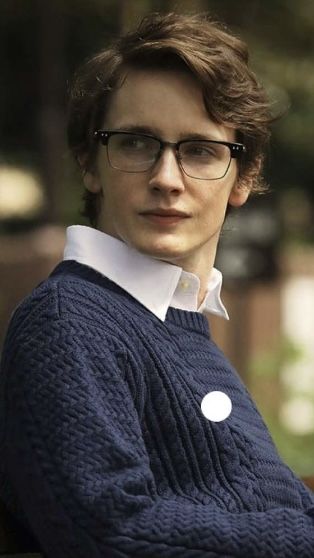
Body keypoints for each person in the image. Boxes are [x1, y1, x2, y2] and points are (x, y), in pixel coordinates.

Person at [0, 11, 313, 558]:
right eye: (137, 143)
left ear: (243, 178)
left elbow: (277, 505)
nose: (167, 178)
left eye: (199, 150)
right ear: (90, 164)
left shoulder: (180, 327)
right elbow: (108, 530)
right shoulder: (67, 322)